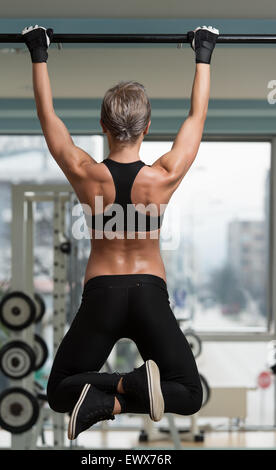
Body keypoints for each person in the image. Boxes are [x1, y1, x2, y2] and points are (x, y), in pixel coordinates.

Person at [22, 24, 219, 441]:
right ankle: (131, 385)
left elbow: (48, 116)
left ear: (102, 126)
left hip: (102, 294)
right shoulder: (162, 177)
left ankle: (114, 393)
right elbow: (196, 116)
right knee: (188, 393)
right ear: (146, 128)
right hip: (149, 291)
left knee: (59, 393)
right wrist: (203, 53)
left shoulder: (85, 174)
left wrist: (38, 52)